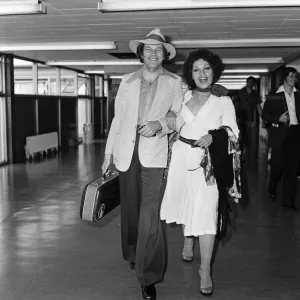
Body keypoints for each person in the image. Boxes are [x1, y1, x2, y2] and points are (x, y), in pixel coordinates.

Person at [101, 28, 183, 300]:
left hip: (154, 154)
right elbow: (117, 120)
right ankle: (134, 252)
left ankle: (148, 276)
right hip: (126, 154)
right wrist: (107, 155)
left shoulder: (174, 82)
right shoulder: (126, 82)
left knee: (150, 214)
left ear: (164, 56)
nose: (153, 53)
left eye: (158, 50)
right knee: (131, 210)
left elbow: (178, 117)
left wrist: (159, 124)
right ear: (141, 53)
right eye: (148, 49)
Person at [160, 49, 240, 296]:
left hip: (209, 165)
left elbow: (234, 134)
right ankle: (188, 239)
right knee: (186, 204)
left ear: (214, 71)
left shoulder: (223, 101)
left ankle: (205, 270)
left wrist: (213, 136)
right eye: (196, 69)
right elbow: (170, 121)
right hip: (182, 157)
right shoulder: (182, 97)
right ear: (190, 74)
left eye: (206, 68)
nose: (202, 73)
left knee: (206, 213)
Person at [262, 67, 300, 211]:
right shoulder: (274, 96)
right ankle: (271, 189)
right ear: (284, 77)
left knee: (292, 168)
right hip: (279, 135)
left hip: (295, 134)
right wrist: (278, 118)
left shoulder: (298, 95)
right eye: (290, 76)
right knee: (277, 168)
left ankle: (288, 201)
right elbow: (265, 115)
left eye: (294, 76)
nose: (293, 78)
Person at [236, 76, 262, 161]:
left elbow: (258, 107)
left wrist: (263, 118)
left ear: (254, 84)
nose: (250, 83)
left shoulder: (255, 94)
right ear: (246, 82)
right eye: (248, 82)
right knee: (239, 137)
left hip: (250, 119)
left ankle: (245, 154)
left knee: (248, 137)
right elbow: (235, 105)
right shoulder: (240, 92)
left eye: (252, 82)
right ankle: (239, 153)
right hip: (239, 118)